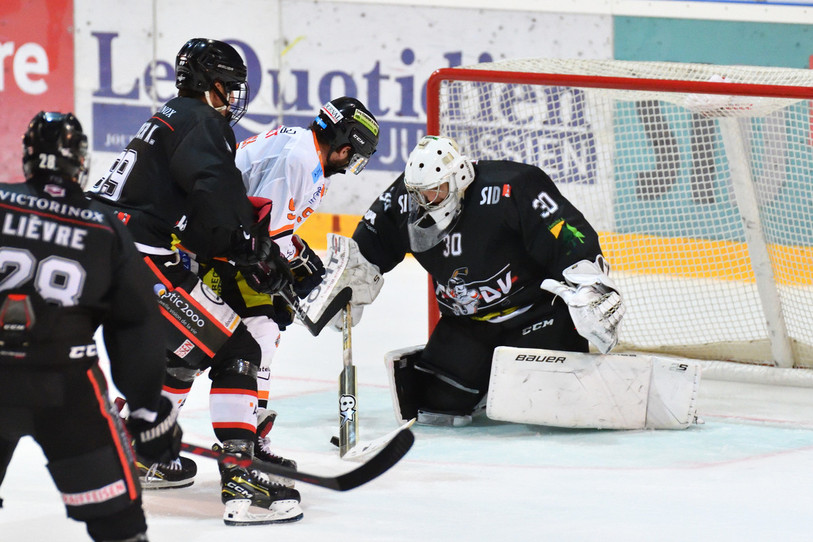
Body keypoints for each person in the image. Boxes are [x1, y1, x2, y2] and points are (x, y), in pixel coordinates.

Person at [87, 38, 302, 525]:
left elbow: (184, 212)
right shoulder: (204, 121)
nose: (233, 98)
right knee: (238, 350)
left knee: (184, 351)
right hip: (137, 262)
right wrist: (253, 250)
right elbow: (215, 201)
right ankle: (242, 478)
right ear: (211, 83)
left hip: (105, 251)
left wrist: (240, 245)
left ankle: (142, 454)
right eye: (229, 86)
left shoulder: (169, 115)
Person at [308, 135, 626, 427]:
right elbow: (366, 248)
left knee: (552, 404)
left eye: (436, 191)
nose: (426, 201)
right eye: (419, 194)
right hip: (467, 324)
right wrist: (346, 283)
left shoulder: (512, 186)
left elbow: (566, 232)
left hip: (536, 315)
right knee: (436, 407)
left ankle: (508, 378)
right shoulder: (405, 200)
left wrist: (590, 286)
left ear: (459, 178)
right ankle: (484, 380)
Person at [0, 111, 182, 542]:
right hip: (69, 390)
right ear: (80, 161)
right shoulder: (104, 227)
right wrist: (146, 409)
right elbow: (136, 326)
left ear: (28, 157)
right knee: (120, 524)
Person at [199, 97, 379, 446]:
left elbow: (273, 228)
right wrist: (296, 265)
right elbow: (266, 230)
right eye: (353, 155)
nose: (350, 163)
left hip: (231, 244)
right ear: (344, 147)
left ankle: (249, 432)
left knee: (262, 332)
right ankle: (239, 435)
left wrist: (297, 259)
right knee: (208, 344)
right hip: (211, 247)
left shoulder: (308, 154)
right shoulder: (299, 159)